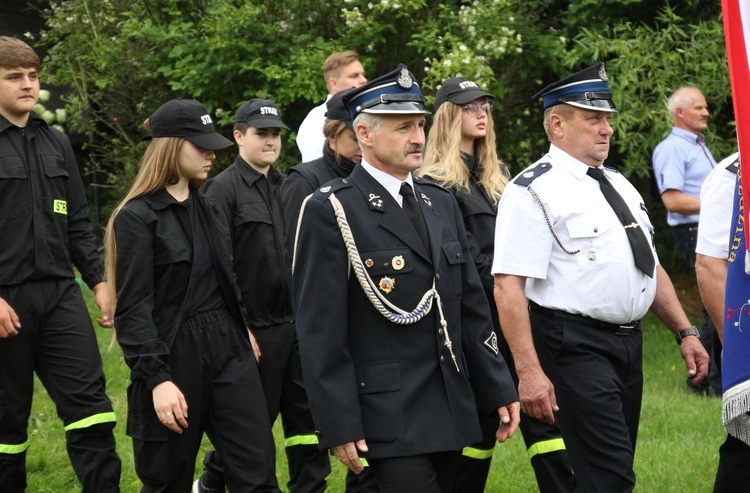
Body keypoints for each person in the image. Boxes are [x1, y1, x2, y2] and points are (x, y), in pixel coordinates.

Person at [292, 65, 520, 493]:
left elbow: (470, 306)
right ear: (364, 133)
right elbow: (320, 330)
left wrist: (497, 384)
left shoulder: (439, 202)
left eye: (419, 124)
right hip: (385, 410)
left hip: (449, 403)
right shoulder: (332, 209)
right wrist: (339, 422)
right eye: (402, 128)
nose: (418, 137)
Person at [492, 62, 710, 493]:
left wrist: (684, 330)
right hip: (573, 345)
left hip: (628, 345)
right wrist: (529, 371)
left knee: (608, 468)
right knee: (611, 477)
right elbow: (508, 286)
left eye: (607, 119)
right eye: (592, 119)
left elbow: (648, 265)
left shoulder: (618, 183)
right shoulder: (532, 190)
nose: (606, 129)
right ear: (557, 123)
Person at [105, 98, 279, 492]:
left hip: (229, 349)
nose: (210, 155)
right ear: (169, 146)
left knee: (258, 473)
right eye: (199, 145)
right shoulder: (137, 218)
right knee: (168, 478)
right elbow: (133, 307)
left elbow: (225, 278)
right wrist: (158, 378)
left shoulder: (211, 209)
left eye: (212, 146)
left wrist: (242, 328)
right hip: (173, 352)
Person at [417, 77, 575, 493]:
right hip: (478, 323)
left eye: (485, 106)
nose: (482, 112)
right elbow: (463, 261)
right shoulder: (431, 183)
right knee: (476, 437)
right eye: (471, 107)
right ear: (449, 115)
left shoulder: (501, 177)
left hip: (519, 315)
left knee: (548, 425)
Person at [0, 36, 121, 493]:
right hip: (4, 302)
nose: (28, 85)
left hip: (59, 295)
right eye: (14, 77)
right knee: (6, 426)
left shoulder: (56, 143)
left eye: (32, 76)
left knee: (92, 409)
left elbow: (77, 222)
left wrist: (98, 280)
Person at [193, 99, 330, 493]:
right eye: (261, 133)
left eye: (275, 134)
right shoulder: (221, 191)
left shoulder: (289, 186)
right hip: (255, 331)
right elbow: (218, 267)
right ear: (238, 136)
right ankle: (211, 483)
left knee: (306, 423)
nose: (271, 141)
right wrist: (241, 327)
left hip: (297, 324)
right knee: (254, 425)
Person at [282, 91, 379, 493]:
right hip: (321, 325)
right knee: (311, 436)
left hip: (372, 327)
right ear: (333, 135)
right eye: (354, 138)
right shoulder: (304, 182)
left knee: (373, 455)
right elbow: (292, 262)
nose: (362, 148)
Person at [652, 86, 720, 396]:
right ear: (680, 113)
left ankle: (707, 380)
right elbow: (673, 201)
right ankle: (707, 382)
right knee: (715, 304)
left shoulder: (697, 145)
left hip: (707, 227)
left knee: (718, 304)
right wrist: (722, 204)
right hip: (693, 231)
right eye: (699, 108)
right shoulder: (672, 149)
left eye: (705, 107)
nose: (706, 112)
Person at [693, 152, 750, 492]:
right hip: (747, 333)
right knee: (745, 452)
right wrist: (738, 346)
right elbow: (710, 265)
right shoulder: (731, 175)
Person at [296, 51, 367, 162]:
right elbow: (319, 168)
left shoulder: (367, 112)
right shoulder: (316, 120)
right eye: (354, 76)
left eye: (363, 75)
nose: (364, 80)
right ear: (334, 83)